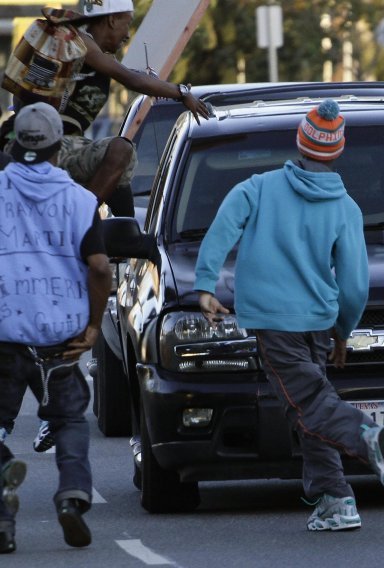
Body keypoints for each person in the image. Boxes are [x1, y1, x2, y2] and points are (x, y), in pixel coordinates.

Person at [194, 99, 384, 531]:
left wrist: (204, 285)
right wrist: (345, 331)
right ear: (338, 151)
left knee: (309, 403)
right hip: (318, 323)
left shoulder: (257, 188)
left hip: (275, 323)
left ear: (300, 143)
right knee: (306, 408)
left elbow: (221, 229)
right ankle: (336, 499)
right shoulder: (345, 207)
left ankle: (365, 436)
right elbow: (354, 284)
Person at [0, 102, 112, 553]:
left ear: (12, 146)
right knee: (68, 421)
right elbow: (100, 268)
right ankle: (72, 496)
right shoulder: (80, 202)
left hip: (5, 337)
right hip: (61, 340)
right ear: (57, 149)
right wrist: (93, 327)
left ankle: (4, 521)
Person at [0, 0, 210, 217]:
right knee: (121, 151)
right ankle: (81, 220)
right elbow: (132, 80)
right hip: (45, 148)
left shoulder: (81, 47)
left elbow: (132, 75)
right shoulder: (82, 42)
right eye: (127, 24)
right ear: (112, 19)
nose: (128, 34)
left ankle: (124, 237)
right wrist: (182, 92)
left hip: (43, 145)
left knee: (118, 177)